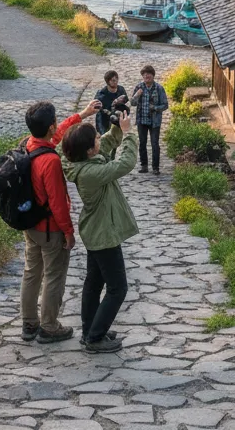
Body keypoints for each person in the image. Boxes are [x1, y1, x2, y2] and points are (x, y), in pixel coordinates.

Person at [20, 97, 102, 344]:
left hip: (30, 225)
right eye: (55, 121)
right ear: (50, 127)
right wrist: (68, 232)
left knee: (31, 273)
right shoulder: (51, 161)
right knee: (54, 276)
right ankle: (49, 326)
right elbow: (57, 203)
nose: (57, 125)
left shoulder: (29, 145)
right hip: (50, 230)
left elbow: (57, 137)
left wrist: (82, 115)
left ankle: (29, 323)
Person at [61, 111, 138, 353]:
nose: (98, 139)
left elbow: (103, 145)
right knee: (118, 288)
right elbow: (125, 163)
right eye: (94, 139)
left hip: (95, 232)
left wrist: (115, 128)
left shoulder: (77, 162)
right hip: (104, 235)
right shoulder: (91, 173)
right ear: (88, 152)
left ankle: (90, 329)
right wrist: (127, 134)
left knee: (93, 284)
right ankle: (95, 337)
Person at [131, 64, 168, 174]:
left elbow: (165, 105)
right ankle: (144, 166)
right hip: (141, 120)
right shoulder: (139, 87)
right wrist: (137, 95)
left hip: (154, 122)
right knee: (142, 143)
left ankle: (155, 167)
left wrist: (155, 108)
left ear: (153, 76)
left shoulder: (159, 88)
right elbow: (132, 103)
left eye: (149, 74)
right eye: (145, 74)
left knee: (154, 144)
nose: (147, 76)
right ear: (142, 76)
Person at [94, 70, 129, 135]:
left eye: (116, 79)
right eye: (113, 80)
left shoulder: (121, 90)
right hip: (105, 124)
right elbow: (98, 112)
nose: (115, 82)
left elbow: (125, 103)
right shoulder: (101, 94)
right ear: (108, 82)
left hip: (118, 123)